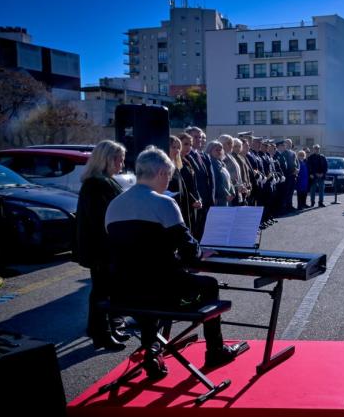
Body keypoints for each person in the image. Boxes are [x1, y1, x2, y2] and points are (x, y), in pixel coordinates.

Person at [105, 147, 248, 379]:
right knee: (209, 284)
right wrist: (201, 252)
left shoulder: (114, 205)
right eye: (169, 176)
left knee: (148, 280)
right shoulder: (164, 203)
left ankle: (153, 348)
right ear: (161, 172)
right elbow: (190, 253)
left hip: (124, 292)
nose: (168, 182)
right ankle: (215, 351)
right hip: (164, 292)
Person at [74, 140, 129, 350]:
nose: (122, 164)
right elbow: (100, 220)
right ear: (107, 159)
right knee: (101, 291)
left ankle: (103, 328)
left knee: (104, 290)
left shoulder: (102, 181)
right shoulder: (97, 184)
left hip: (102, 246)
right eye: (119, 160)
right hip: (101, 247)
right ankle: (102, 334)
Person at [184, 127, 213, 240]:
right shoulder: (185, 156)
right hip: (194, 202)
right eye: (195, 137)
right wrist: (194, 199)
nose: (199, 139)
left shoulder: (200, 155)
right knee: (194, 233)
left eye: (200, 137)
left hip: (204, 201)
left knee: (201, 232)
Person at [167, 135, 198, 230]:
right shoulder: (163, 167)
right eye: (173, 147)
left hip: (182, 206)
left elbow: (184, 188)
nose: (177, 150)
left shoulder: (177, 166)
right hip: (170, 209)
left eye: (178, 148)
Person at [206, 141, 234, 207]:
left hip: (226, 197)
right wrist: (226, 194)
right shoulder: (211, 163)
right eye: (216, 150)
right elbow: (217, 181)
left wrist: (232, 192)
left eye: (220, 150)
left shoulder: (221, 163)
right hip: (219, 198)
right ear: (210, 151)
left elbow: (229, 180)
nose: (219, 152)